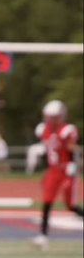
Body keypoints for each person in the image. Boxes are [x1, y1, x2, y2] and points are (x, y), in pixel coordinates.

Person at [31, 99, 83, 249]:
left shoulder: (67, 130)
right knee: (47, 201)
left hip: (66, 169)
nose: (48, 120)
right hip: (53, 170)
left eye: (51, 117)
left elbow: (72, 148)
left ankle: (43, 235)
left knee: (70, 205)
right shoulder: (43, 129)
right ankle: (43, 235)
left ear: (60, 117)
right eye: (47, 116)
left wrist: (74, 164)